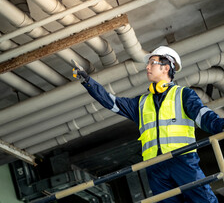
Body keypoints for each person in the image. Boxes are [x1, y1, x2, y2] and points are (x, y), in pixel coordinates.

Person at [72, 46, 224, 203]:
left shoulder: (183, 94)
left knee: (203, 200)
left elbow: (204, 116)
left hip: (182, 159)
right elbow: (111, 101)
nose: (147, 67)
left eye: (152, 62)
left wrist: (222, 126)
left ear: (166, 67)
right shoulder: (141, 103)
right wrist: (87, 81)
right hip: (154, 167)